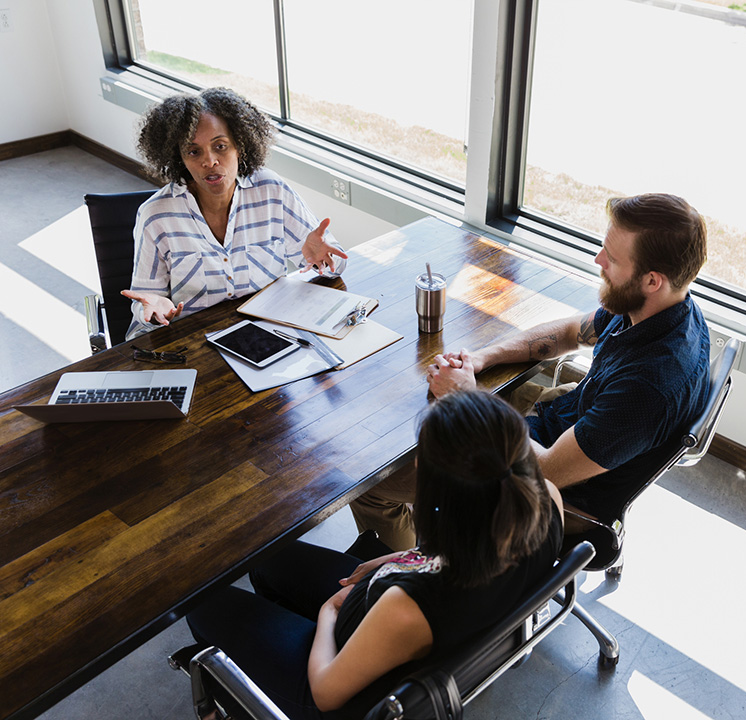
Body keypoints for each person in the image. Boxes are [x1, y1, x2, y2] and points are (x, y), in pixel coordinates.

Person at [352, 192, 711, 550]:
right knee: (437, 406)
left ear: (652, 280)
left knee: (372, 482)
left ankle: (410, 587)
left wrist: (466, 397)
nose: (598, 259)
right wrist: (483, 358)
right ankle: (440, 532)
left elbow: (547, 471)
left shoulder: (648, 389)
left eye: (613, 259)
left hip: (551, 491)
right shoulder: (663, 308)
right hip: (561, 419)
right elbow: (571, 332)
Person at [185, 390, 563, 719]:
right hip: (404, 621)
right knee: (267, 559)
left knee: (201, 602)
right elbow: (469, 541)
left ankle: (257, 689)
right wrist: (399, 558)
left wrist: (329, 614)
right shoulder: (547, 502)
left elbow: (326, 694)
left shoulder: (409, 607)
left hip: (337, 688)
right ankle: (273, 647)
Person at [122, 87, 348, 339]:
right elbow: (145, 303)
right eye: (193, 151)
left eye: (220, 146)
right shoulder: (156, 216)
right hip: (195, 342)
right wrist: (154, 310)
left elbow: (334, 264)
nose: (210, 161)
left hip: (268, 334)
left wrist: (322, 260)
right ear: (179, 158)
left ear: (240, 146)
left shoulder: (271, 191)